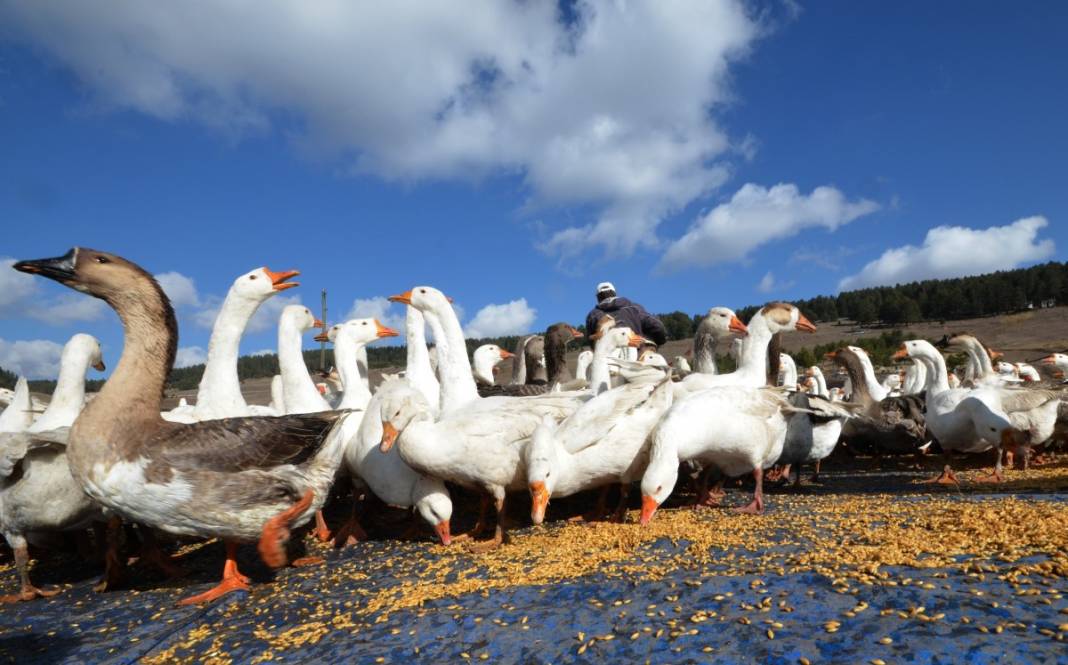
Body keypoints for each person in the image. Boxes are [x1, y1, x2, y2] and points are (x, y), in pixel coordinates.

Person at [585, 281, 667, 347]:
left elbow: (592, 342)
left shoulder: (592, 315)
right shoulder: (634, 307)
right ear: (615, 293)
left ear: (598, 298)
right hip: (636, 356)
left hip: (608, 362)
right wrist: (660, 341)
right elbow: (657, 326)